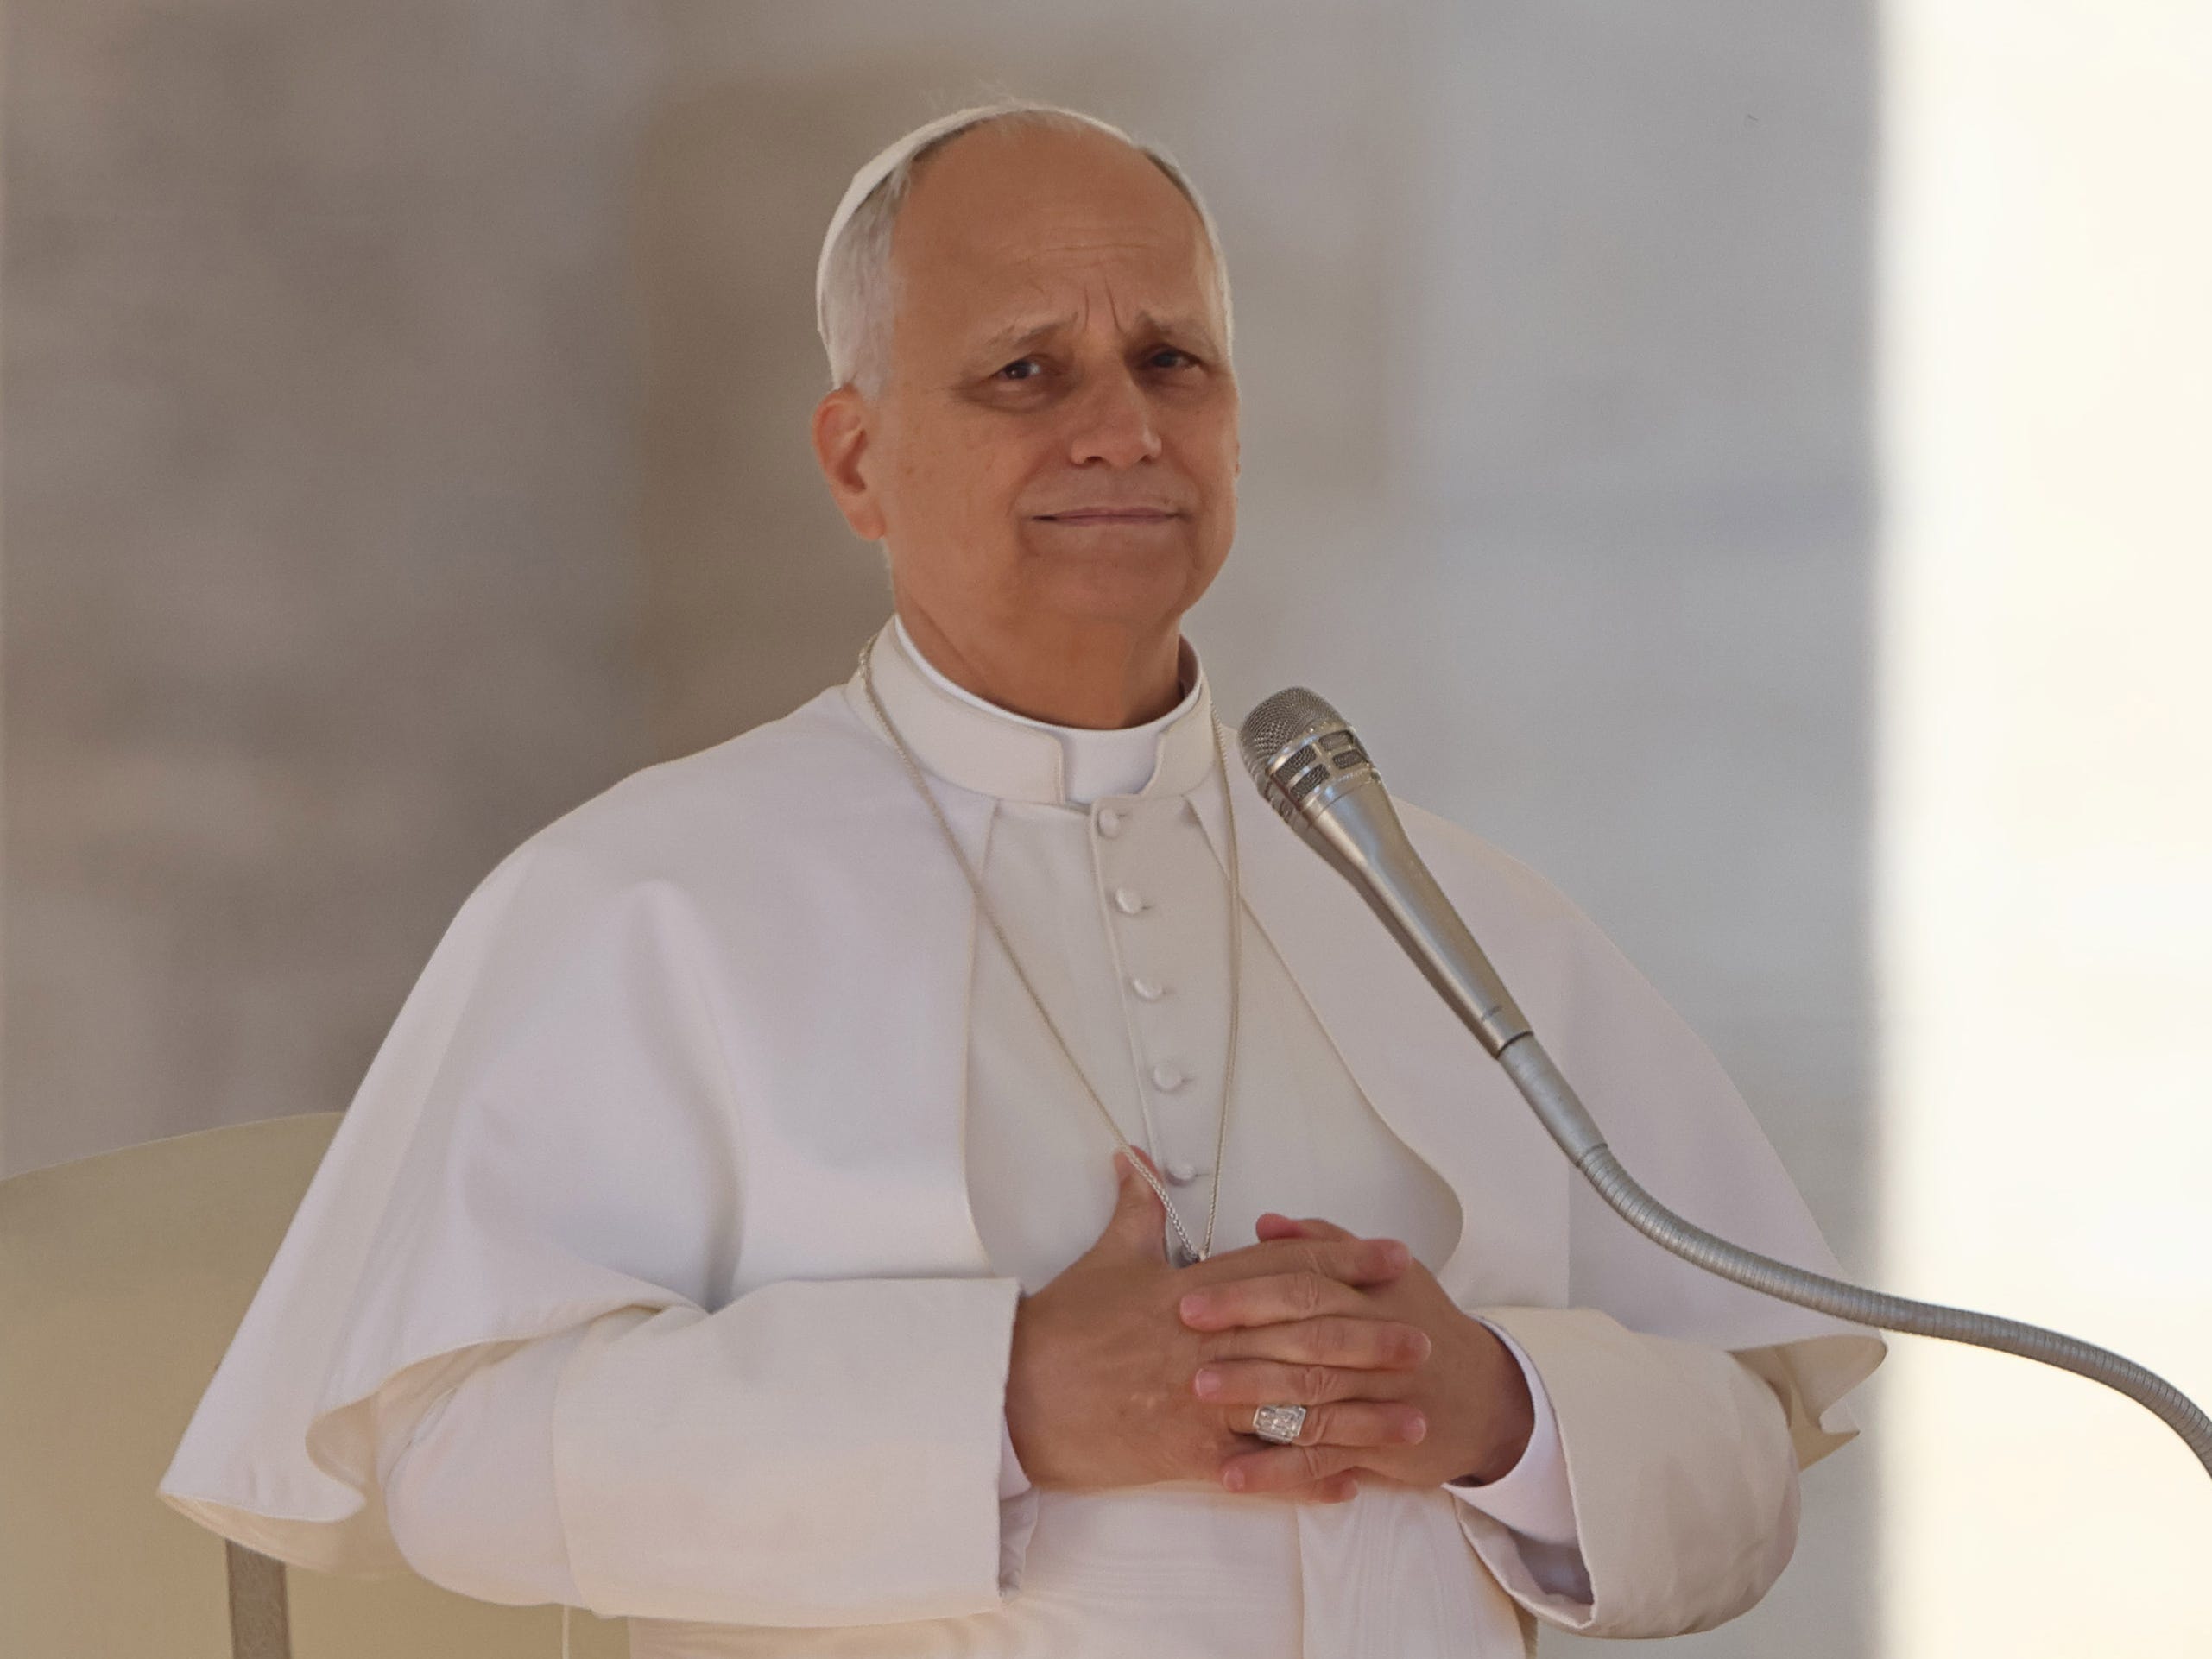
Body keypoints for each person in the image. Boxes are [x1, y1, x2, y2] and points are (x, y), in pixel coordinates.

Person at [158, 100, 1887, 1659]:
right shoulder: (644, 899)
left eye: (1173, 361)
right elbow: (449, 1461)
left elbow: (1743, 1443)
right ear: (856, 460)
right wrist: (1001, 1399)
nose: (1122, 427)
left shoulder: (1442, 904)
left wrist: (1501, 1405)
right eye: (1025, 373)